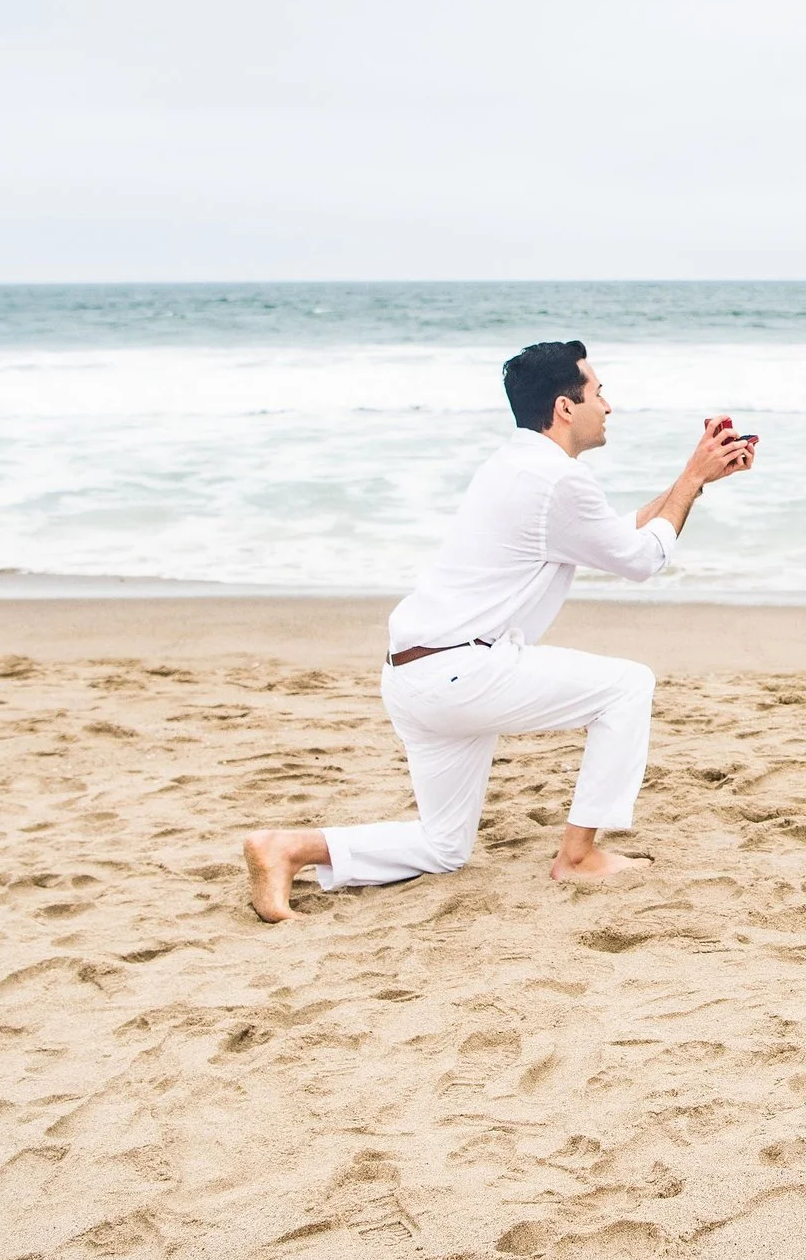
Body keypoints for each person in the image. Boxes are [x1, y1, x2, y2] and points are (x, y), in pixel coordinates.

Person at [242, 341, 756, 919]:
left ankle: (287, 848)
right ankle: (579, 857)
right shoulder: (558, 480)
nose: (608, 406)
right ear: (566, 407)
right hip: (464, 671)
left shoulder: (518, 464)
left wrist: (697, 478)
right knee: (628, 685)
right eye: (599, 392)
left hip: (416, 673)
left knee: (444, 846)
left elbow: (614, 537)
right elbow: (640, 560)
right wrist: (692, 477)